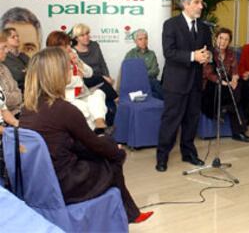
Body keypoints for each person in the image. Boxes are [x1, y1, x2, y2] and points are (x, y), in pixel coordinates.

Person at [19, 47, 153, 223]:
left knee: (104, 147)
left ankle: (131, 213)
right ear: (56, 74)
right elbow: (93, 144)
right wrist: (118, 152)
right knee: (112, 158)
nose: (71, 70)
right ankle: (129, 214)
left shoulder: (27, 109)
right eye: (67, 67)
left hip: (41, 182)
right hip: (66, 184)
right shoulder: (64, 109)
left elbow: (65, 143)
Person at [156, 0, 212, 172]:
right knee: (171, 121)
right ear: (185, 4)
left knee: (191, 120)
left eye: (201, 2)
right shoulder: (171, 25)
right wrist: (193, 56)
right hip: (176, 83)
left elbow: (208, 50)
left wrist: (207, 56)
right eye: (196, 2)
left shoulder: (204, 27)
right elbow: (169, 52)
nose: (200, 6)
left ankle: (188, 153)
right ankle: (162, 157)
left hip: (195, 82)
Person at [46, 31, 108, 132]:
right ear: (56, 48)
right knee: (84, 108)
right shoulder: (50, 62)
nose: (69, 48)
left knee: (99, 94)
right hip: (67, 98)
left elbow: (89, 73)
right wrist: (76, 75)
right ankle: (96, 134)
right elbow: (62, 82)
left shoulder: (72, 54)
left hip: (82, 93)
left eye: (69, 45)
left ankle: (99, 122)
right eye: (65, 46)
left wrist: (78, 63)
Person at [202, 27, 249, 143]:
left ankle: (227, 109)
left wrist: (234, 79)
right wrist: (225, 83)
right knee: (233, 93)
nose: (223, 42)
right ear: (216, 39)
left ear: (229, 42)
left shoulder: (231, 53)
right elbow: (208, 74)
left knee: (242, 87)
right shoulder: (210, 53)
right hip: (211, 84)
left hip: (227, 82)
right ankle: (239, 131)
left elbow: (235, 69)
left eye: (226, 39)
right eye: (221, 38)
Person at [72, 23, 118, 125]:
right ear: (77, 38)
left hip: (101, 79)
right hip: (86, 80)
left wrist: (107, 76)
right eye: (82, 35)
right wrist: (103, 78)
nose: (86, 37)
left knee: (103, 84)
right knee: (100, 80)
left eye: (87, 33)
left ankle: (108, 122)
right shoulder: (73, 52)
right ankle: (117, 99)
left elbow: (102, 63)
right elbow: (81, 73)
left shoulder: (95, 45)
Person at [124, 29, 163, 100]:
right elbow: (128, 73)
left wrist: (141, 74)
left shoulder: (151, 54)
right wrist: (143, 75)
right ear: (135, 41)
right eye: (140, 39)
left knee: (156, 87)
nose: (144, 41)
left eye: (145, 38)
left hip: (150, 82)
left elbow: (155, 71)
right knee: (155, 85)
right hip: (136, 83)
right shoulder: (130, 54)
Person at [0, 32, 23, 117]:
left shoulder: (4, 68)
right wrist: (15, 98)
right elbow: (3, 100)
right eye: (3, 47)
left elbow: (18, 93)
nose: (7, 51)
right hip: (6, 118)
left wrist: (12, 97)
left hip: (17, 112)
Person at [2, 27, 30, 92]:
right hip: (17, 92)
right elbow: (18, 76)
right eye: (13, 37)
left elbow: (36, 70)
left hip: (30, 90)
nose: (17, 38)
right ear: (5, 40)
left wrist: (25, 71)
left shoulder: (24, 55)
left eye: (17, 36)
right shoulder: (4, 57)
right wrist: (28, 71)